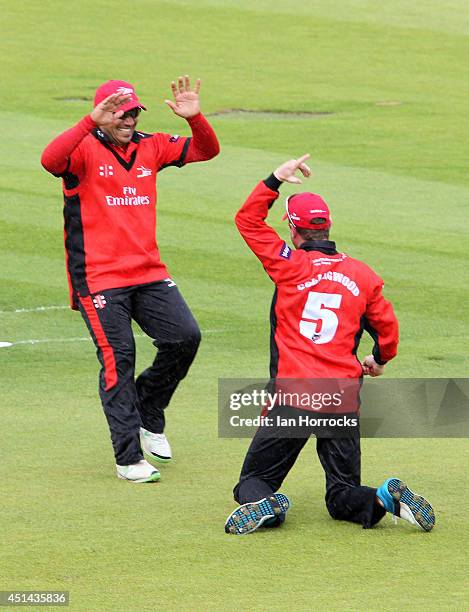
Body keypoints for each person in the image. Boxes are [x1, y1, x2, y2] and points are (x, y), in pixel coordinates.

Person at [225, 154, 435, 534]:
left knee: (253, 481)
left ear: (293, 229)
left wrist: (275, 179)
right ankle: (383, 498)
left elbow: (247, 221)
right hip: (341, 395)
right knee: (342, 495)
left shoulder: (289, 266)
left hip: (294, 395)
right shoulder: (363, 274)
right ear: (328, 226)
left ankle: (266, 506)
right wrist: (379, 358)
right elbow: (387, 329)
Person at [41, 76, 219, 482]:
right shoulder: (82, 148)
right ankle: (128, 459)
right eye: (119, 112)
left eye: (133, 112)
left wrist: (196, 119)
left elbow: (207, 150)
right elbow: (50, 161)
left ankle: (149, 407)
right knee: (118, 361)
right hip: (99, 278)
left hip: (148, 272)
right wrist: (90, 121)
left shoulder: (150, 145)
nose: (128, 119)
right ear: (103, 113)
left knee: (185, 337)